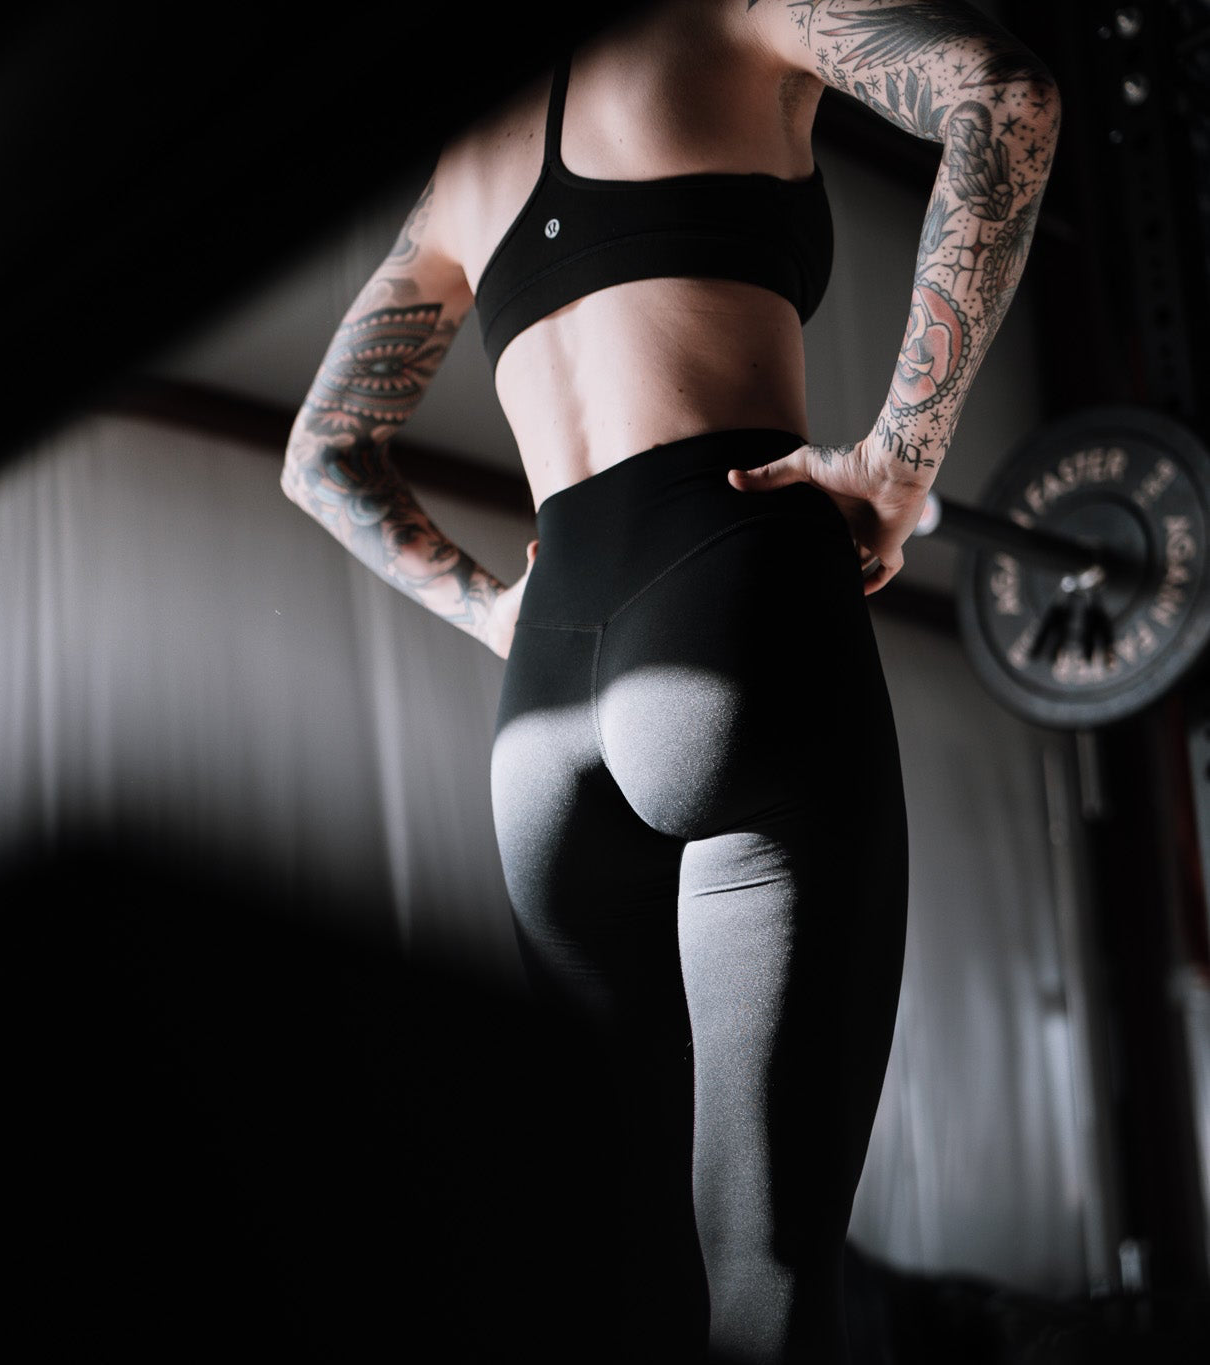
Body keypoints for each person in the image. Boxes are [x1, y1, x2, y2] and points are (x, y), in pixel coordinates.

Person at [281, 0, 1059, 1358]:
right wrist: (901, 455)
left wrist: (491, 610)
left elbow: (321, 454)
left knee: (623, 1266)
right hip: (730, 599)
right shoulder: (728, 15)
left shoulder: (459, 167)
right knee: (765, 1266)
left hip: (543, 716)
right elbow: (1006, 95)